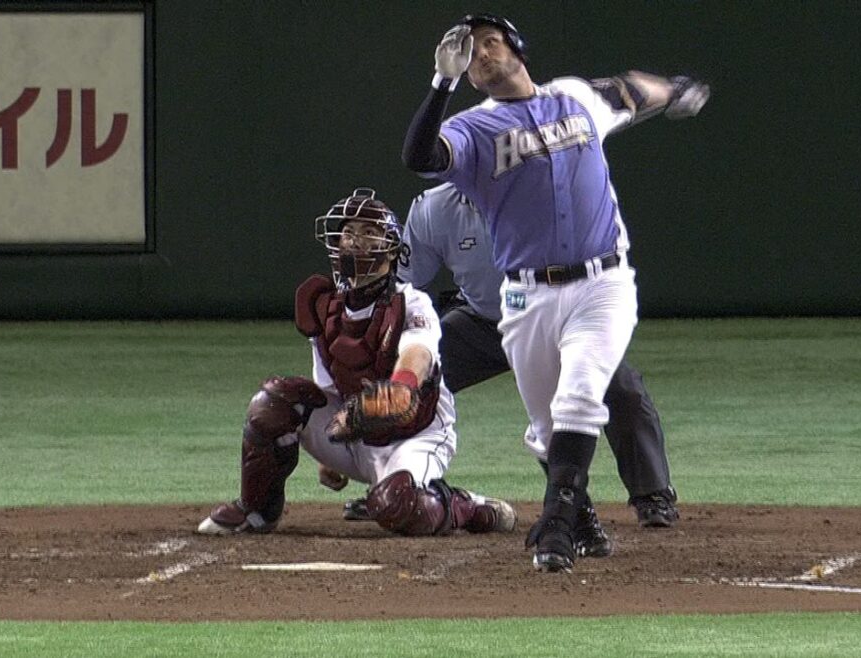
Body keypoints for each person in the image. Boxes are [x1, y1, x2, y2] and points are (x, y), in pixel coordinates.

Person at [401, 14, 709, 571]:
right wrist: (441, 83)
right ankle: (582, 519)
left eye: (491, 42)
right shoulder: (474, 128)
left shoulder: (573, 96)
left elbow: (630, 90)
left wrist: (676, 88)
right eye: (472, 53)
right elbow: (420, 157)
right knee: (547, 430)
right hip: (527, 299)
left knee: (582, 396)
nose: (482, 55)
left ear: (517, 47)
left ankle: (558, 527)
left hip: (603, 283)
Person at [197, 188, 516, 538]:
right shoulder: (324, 306)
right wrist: (327, 451)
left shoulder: (410, 302)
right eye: (348, 232)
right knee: (274, 401)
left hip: (416, 434)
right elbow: (327, 389)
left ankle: (465, 506)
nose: (355, 240)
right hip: (355, 434)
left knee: (397, 506)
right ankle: (257, 510)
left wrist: (402, 387)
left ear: (391, 249)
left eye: (368, 232)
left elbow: (419, 353)